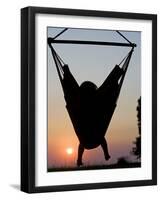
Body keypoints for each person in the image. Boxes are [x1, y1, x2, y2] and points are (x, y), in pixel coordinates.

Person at [62, 64, 123, 166]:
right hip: (95, 134)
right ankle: (105, 154)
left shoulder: (79, 100)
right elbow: (109, 86)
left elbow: (70, 88)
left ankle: (80, 159)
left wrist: (66, 72)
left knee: (82, 141)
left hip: (87, 135)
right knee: (100, 138)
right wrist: (117, 73)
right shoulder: (96, 100)